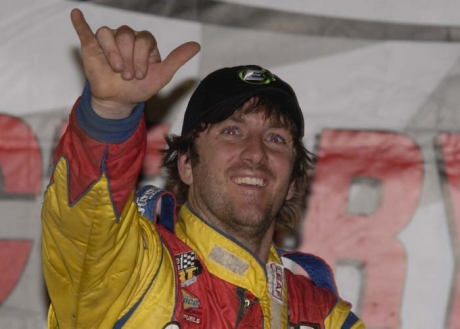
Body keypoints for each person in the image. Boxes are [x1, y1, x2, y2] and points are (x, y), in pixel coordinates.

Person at [41, 8, 365, 329]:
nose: (256, 152)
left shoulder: (326, 318)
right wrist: (109, 114)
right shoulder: (133, 270)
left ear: (294, 181)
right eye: (232, 131)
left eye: (276, 138)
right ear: (186, 165)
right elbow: (87, 225)